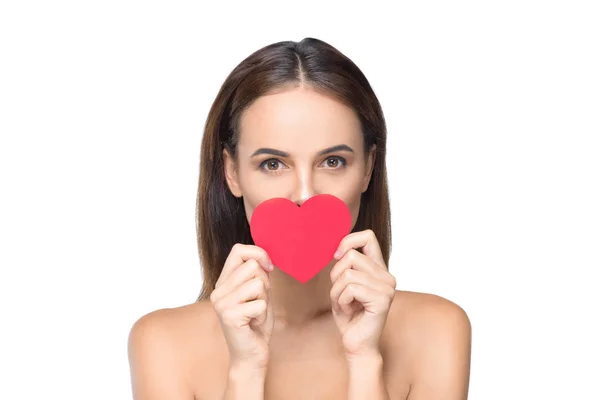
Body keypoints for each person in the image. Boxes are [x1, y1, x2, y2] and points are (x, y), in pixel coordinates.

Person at [128, 37, 472, 400]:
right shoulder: (162, 344)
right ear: (232, 172)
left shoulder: (438, 330)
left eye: (333, 161)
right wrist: (245, 370)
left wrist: (365, 359)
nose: (305, 194)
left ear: (368, 168)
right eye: (273, 164)